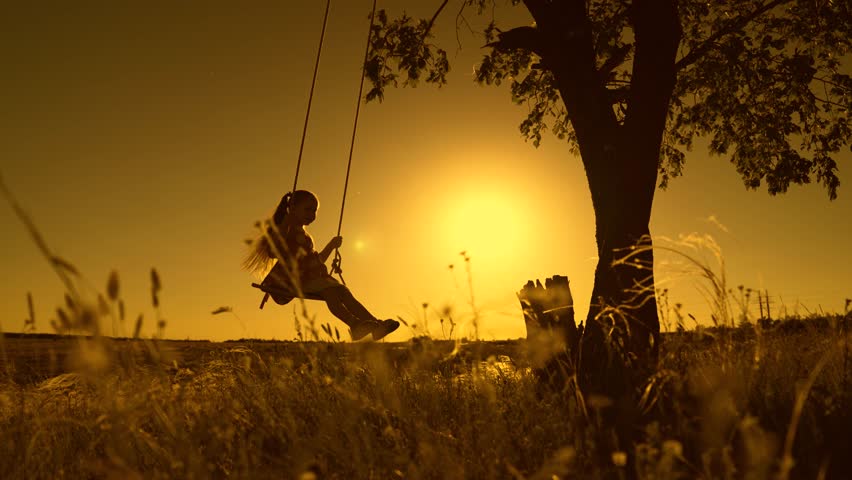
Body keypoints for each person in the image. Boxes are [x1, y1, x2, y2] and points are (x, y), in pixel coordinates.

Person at [244, 190, 399, 341]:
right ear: (292, 208)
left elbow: (316, 262)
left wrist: (331, 246)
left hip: (313, 278)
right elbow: (273, 251)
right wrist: (286, 222)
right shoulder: (285, 230)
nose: (311, 214)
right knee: (331, 292)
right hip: (295, 279)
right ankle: (355, 324)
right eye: (307, 209)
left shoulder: (306, 237)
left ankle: (376, 324)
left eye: (314, 210)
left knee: (343, 292)